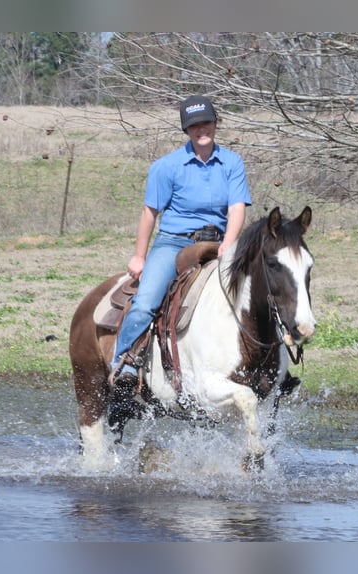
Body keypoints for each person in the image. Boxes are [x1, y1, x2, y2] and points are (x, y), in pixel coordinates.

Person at [109, 95, 253, 401]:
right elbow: (150, 213)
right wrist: (139, 255)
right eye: (194, 125)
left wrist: (229, 243)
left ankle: (270, 363)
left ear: (216, 123)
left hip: (219, 241)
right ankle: (125, 363)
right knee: (146, 301)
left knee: (262, 286)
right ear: (186, 130)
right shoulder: (167, 166)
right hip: (175, 242)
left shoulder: (232, 162)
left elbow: (237, 206)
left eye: (207, 123)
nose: (202, 129)